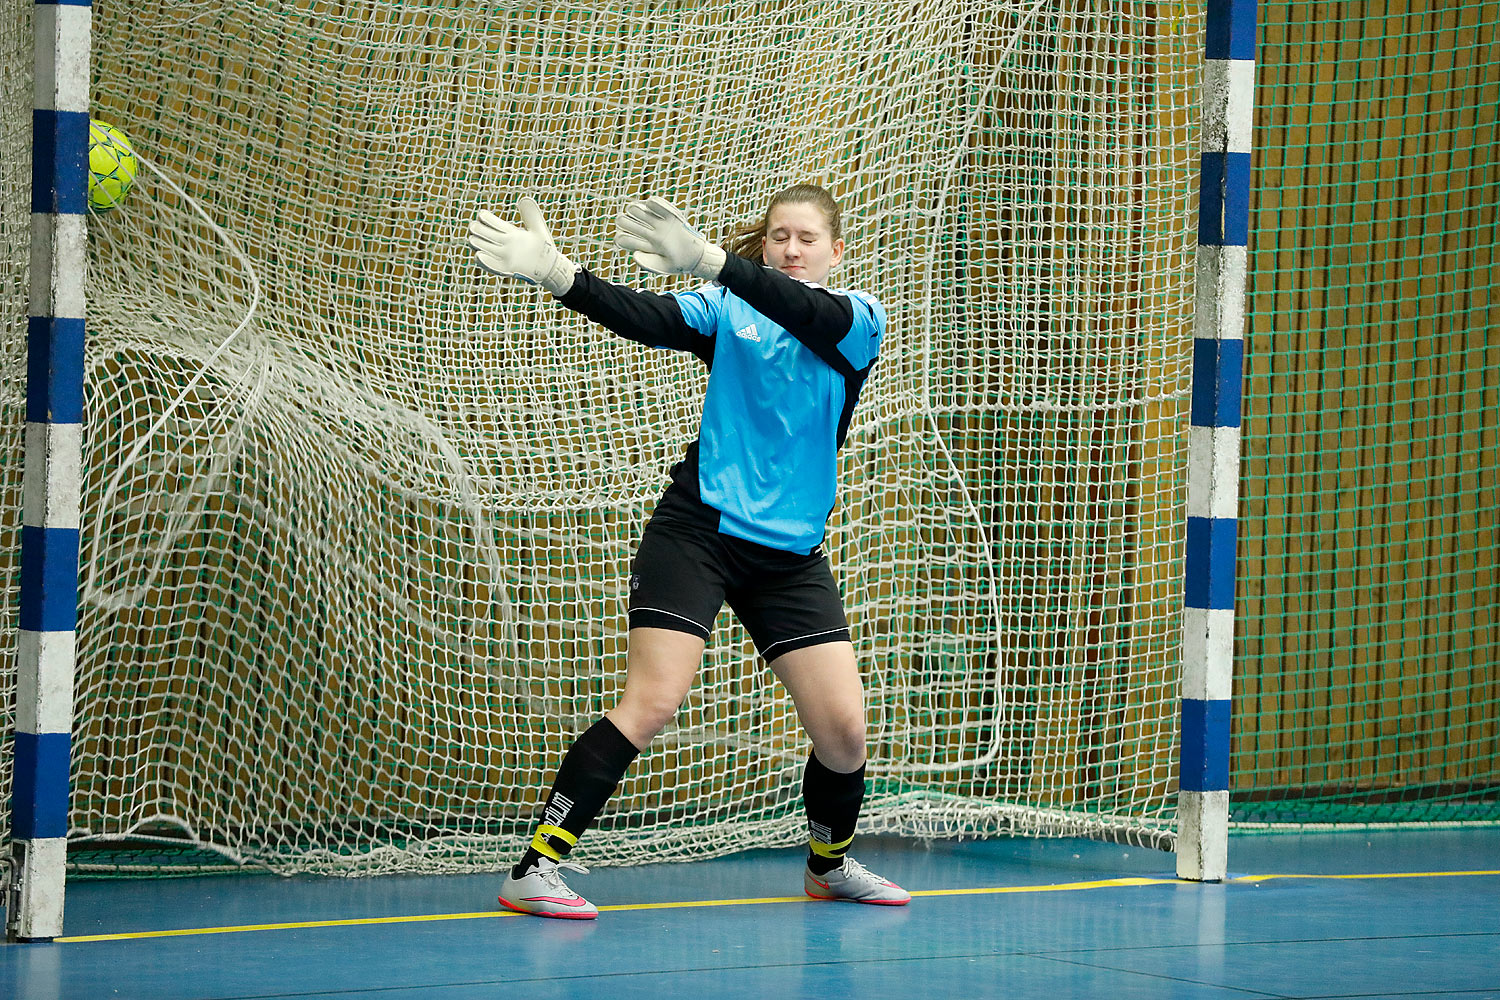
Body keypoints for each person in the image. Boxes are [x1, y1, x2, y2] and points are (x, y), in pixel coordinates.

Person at [466, 184, 909, 919]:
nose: (791, 250)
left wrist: (710, 258)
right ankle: (534, 868)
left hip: (790, 556)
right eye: (777, 238)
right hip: (698, 531)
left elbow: (804, 312)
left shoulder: (857, 320)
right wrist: (556, 273)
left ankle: (828, 866)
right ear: (763, 246)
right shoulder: (727, 311)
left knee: (844, 734)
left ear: (836, 251)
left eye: (805, 239)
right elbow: (645, 315)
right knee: (653, 700)